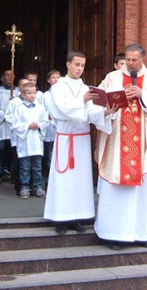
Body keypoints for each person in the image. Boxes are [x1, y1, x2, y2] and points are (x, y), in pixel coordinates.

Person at [94, 43, 147, 249]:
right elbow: (99, 102)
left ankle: (142, 234)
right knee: (116, 193)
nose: (129, 63)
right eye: (127, 59)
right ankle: (114, 234)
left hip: (142, 144)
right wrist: (111, 105)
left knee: (142, 192)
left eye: (134, 60)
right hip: (116, 143)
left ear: (142, 59)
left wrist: (143, 95)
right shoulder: (112, 78)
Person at [44, 52, 115, 234]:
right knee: (64, 180)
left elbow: (91, 113)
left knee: (79, 181)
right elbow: (61, 110)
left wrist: (105, 113)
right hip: (66, 139)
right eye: (77, 64)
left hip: (82, 140)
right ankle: (60, 218)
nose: (80, 69)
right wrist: (81, 101)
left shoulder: (85, 88)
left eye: (82, 65)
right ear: (68, 64)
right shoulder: (58, 87)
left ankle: (76, 217)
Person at [11, 83, 50, 199]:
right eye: (29, 93)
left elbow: (45, 121)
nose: (32, 95)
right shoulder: (20, 109)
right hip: (25, 141)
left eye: (34, 93)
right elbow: (15, 124)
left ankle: (37, 187)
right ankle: (25, 187)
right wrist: (28, 126)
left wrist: (39, 125)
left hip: (36, 141)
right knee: (25, 167)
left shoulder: (40, 107)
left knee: (37, 166)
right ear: (23, 94)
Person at [4, 78, 29, 195]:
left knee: (30, 163)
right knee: (18, 162)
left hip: (31, 137)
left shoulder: (35, 102)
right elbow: (8, 117)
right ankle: (19, 185)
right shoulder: (14, 102)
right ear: (19, 87)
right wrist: (21, 125)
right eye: (23, 85)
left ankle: (30, 184)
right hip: (18, 136)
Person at [41, 70, 61, 184]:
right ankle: (49, 180)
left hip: (61, 127)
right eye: (53, 78)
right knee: (49, 156)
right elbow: (43, 111)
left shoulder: (64, 94)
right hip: (49, 128)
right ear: (49, 80)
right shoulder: (45, 96)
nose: (56, 80)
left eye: (58, 77)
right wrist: (49, 118)